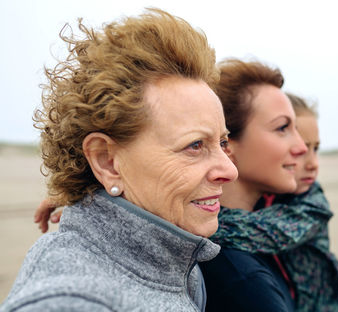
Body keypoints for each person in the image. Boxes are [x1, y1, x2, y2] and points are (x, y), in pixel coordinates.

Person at [1, 8, 238, 312]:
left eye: (222, 142)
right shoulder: (71, 300)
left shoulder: (177, 248)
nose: (230, 170)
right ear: (107, 162)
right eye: (194, 145)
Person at [209, 92, 338, 311]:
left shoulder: (312, 204)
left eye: (316, 148)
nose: (311, 162)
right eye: (300, 148)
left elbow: (269, 232)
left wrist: (207, 226)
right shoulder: (267, 196)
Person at [199, 59, 308, 311]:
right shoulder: (244, 280)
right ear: (227, 145)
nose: (301, 147)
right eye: (282, 128)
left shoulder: (263, 235)